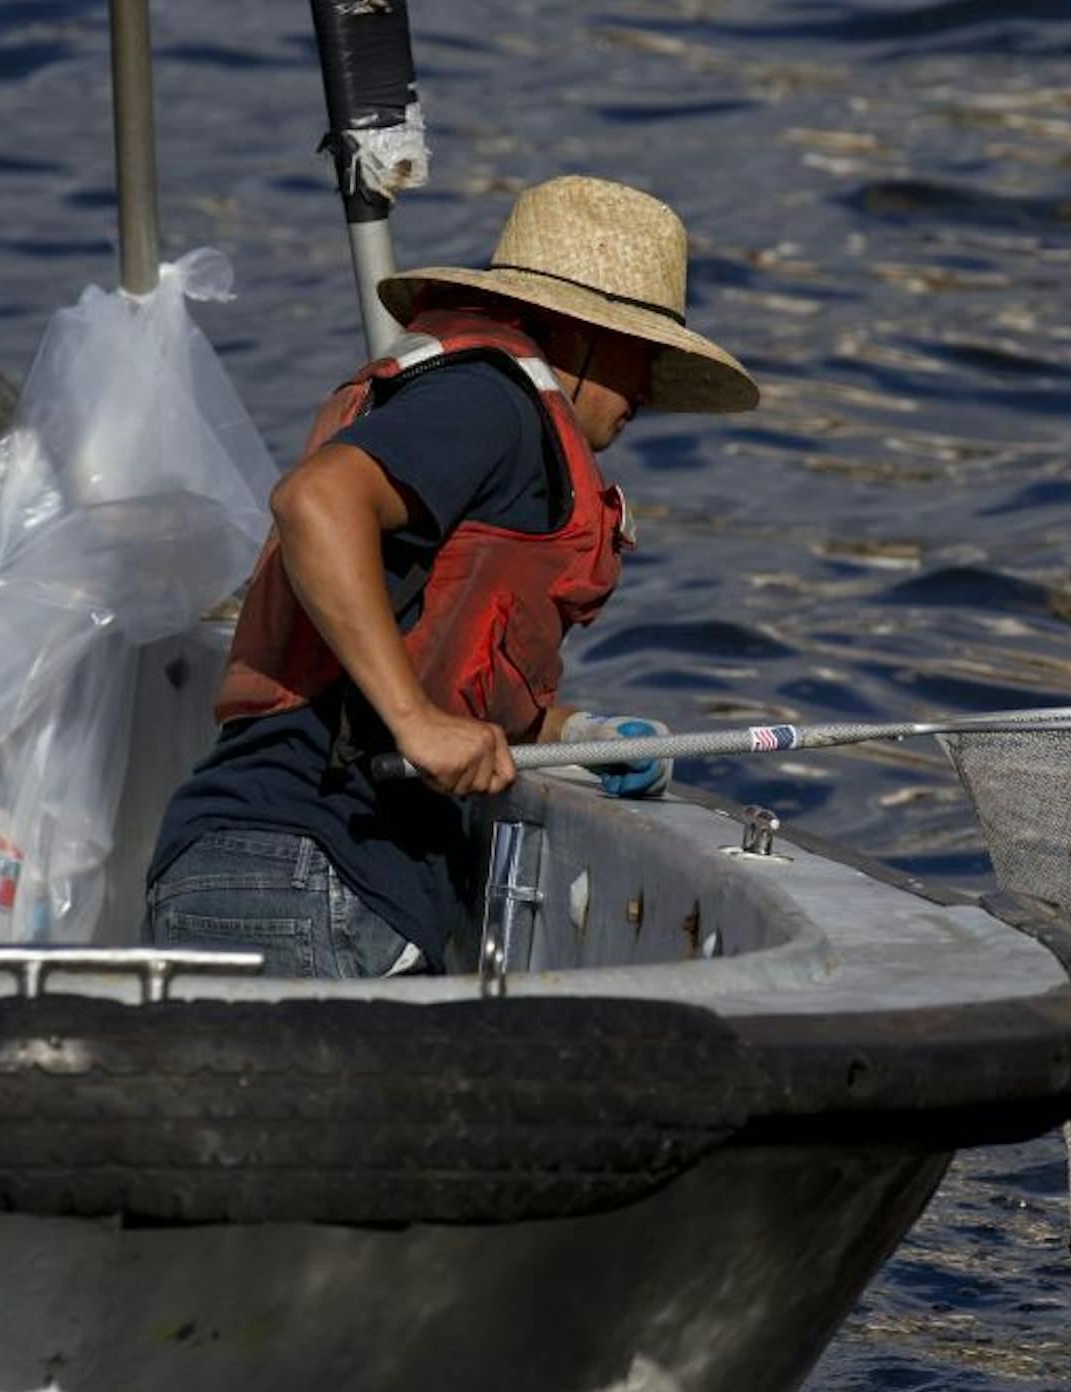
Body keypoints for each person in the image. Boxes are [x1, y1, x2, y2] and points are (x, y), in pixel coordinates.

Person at [143, 175, 759, 980]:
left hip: (263, 864)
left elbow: (438, 667)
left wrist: (579, 737)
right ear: (579, 335)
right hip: (308, 866)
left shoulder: (488, 422)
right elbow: (316, 502)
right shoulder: (489, 404)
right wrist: (415, 720)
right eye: (642, 354)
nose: (647, 390)